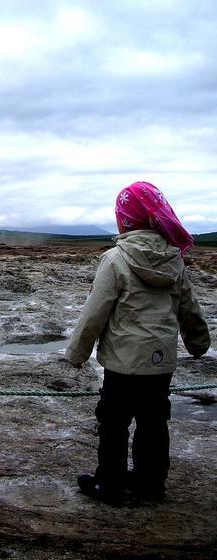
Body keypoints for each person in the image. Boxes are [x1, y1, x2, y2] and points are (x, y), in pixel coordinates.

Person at [65, 181, 210, 506]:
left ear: (125, 219)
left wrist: (77, 353)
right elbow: (190, 309)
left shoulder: (115, 260)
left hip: (122, 363)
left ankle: (110, 484)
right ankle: (150, 483)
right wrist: (199, 343)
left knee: (113, 424)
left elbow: (94, 312)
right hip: (160, 365)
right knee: (154, 424)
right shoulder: (175, 260)